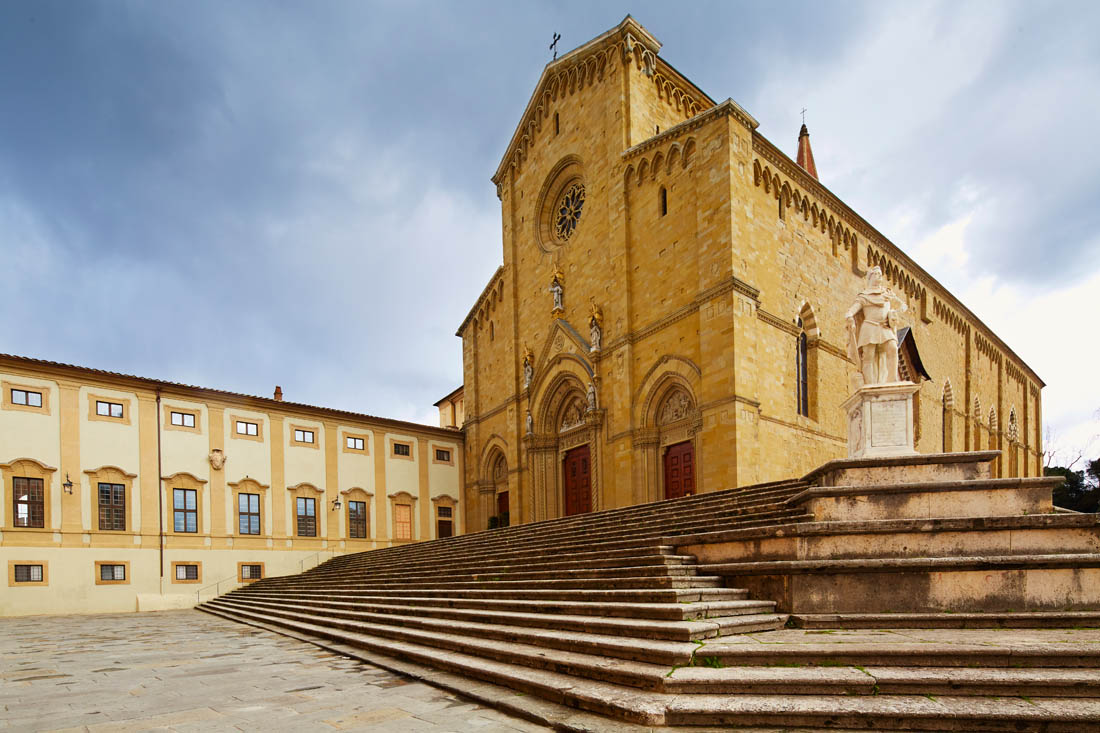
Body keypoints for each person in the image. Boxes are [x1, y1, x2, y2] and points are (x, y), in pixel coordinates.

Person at [846, 266, 906, 386]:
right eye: (876, 274)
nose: (879, 276)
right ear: (870, 278)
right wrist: (849, 316)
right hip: (869, 327)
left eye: (880, 274)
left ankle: (891, 381)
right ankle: (870, 385)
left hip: (884, 327)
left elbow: (900, 306)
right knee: (868, 356)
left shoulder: (888, 294)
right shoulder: (864, 296)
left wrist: (899, 310)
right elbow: (853, 309)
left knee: (893, 348)